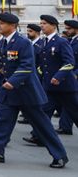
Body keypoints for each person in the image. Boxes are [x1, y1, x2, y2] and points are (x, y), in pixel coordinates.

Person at [0, 12, 68, 168]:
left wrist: (12, 81)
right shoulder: (3, 43)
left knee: (42, 126)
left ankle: (59, 156)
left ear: (12, 26)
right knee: (2, 122)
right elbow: (3, 65)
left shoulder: (23, 43)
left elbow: (26, 66)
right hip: (9, 92)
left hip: (26, 92)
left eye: (2, 23)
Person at [24, 14, 78, 144]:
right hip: (49, 86)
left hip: (65, 86)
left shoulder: (61, 42)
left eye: (44, 23)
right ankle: (39, 136)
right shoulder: (45, 42)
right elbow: (43, 64)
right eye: (41, 23)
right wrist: (41, 75)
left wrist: (58, 76)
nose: (41, 26)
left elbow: (69, 62)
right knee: (43, 111)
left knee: (75, 113)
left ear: (53, 26)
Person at [57, 18, 78, 134]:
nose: (67, 31)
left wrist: (75, 74)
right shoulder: (69, 41)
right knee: (69, 103)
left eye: (69, 29)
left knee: (72, 104)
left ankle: (65, 126)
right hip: (67, 76)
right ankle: (65, 126)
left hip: (75, 76)